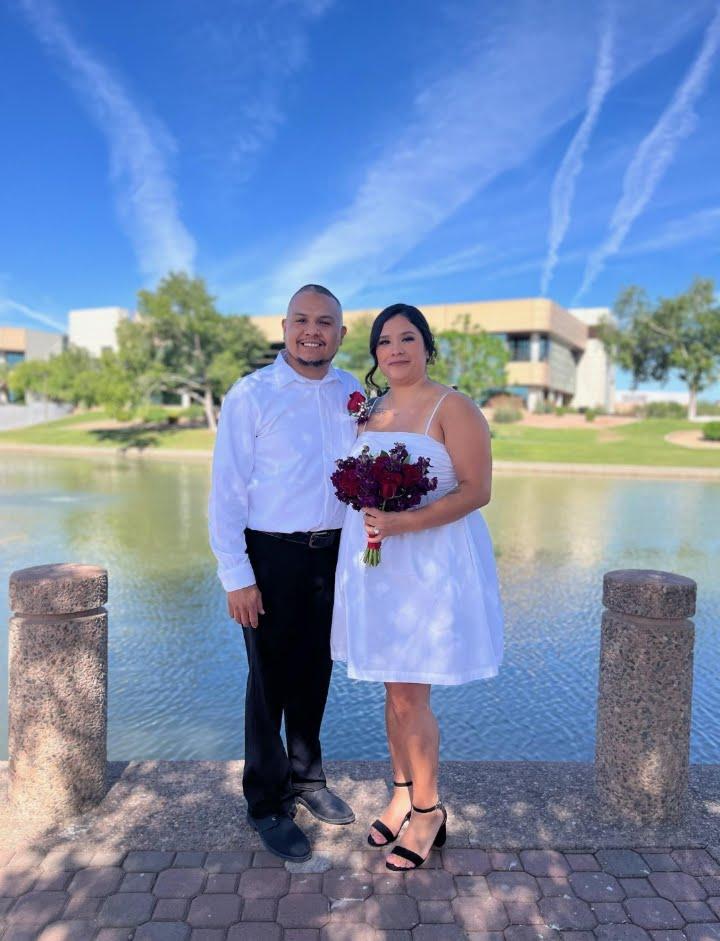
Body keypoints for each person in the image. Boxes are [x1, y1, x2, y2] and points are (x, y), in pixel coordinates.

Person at [331, 303, 504, 871]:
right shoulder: (369, 411)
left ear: (428, 347)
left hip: (430, 566)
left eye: (408, 338)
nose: (395, 349)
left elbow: (477, 491)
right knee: (391, 689)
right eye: (385, 341)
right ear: (375, 353)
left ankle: (429, 811)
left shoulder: (453, 406)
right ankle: (402, 791)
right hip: (377, 566)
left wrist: (403, 522)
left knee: (411, 694)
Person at [209, 283, 362, 862]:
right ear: (284, 327)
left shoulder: (354, 394)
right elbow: (226, 493)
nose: (312, 330)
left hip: (334, 554)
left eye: (325, 322)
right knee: (268, 681)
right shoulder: (251, 395)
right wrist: (236, 575)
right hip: (268, 555)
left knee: (315, 670)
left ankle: (307, 778)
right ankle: (266, 802)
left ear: (341, 335)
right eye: (302, 319)